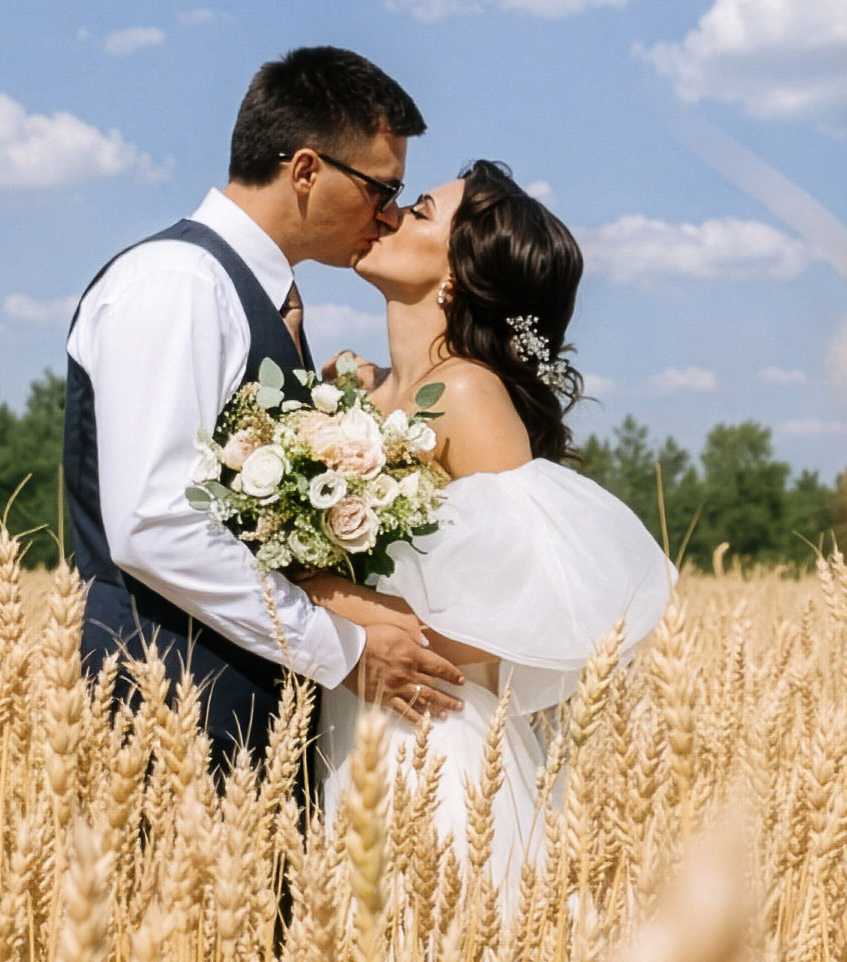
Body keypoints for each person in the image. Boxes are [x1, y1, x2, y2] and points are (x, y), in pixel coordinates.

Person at [64, 47, 466, 784]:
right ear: (306, 170)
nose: (387, 214)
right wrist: (343, 651)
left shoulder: (245, 293)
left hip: (246, 725)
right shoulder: (178, 282)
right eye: (381, 188)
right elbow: (156, 522)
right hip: (166, 710)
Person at [305, 161, 674, 896]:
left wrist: (321, 596)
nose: (387, 213)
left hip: (429, 743)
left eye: (418, 211)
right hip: (349, 725)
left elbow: (529, 604)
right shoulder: (359, 394)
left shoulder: (467, 392)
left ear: (457, 275)